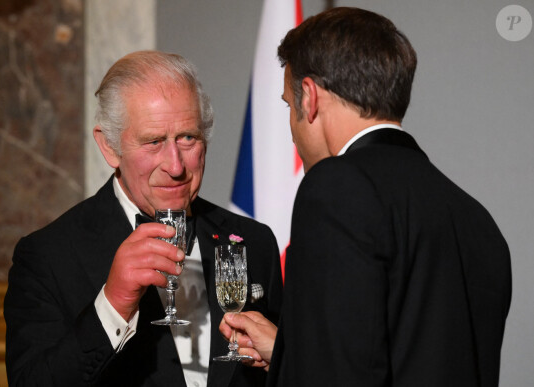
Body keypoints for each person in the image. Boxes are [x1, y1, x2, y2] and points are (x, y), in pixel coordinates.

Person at [219, 7, 512, 386]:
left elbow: (335, 376)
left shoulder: (336, 189)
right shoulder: (476, 219)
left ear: (309, 97)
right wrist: (290, 352)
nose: (292, 131)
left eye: (289, 107)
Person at [4, 50, 283, 387]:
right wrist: (113, 304)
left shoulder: (253, 240)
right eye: (154, 141)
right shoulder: (48, 255)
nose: (176, 166)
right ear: (109, 147)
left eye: (188, 138)